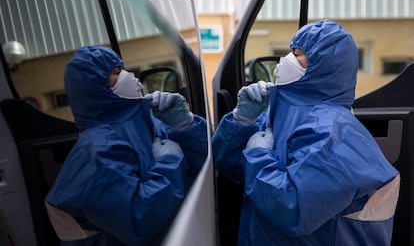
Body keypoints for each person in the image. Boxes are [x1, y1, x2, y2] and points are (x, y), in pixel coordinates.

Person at [212, 19, 400, 245]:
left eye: (299, 54)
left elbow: (294, 209)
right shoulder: (281, 112)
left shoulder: (334, 132)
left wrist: (258, 156)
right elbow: (230, 166)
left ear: (325, 65)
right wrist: (242, 121)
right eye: (291, 51)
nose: (287, 59)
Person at [45, 46, 208, 245]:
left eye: (122, 69)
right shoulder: (95, 152)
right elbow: (141, 219)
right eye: (115, 73)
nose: (127, 76)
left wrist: (185, 126)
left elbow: (202, 167)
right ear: (93, 88)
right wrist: (169, 163)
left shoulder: (145, 120)